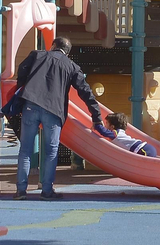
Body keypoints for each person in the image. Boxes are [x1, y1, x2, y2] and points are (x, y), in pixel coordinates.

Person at [10, 37, 103, 199]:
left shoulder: (37, 55)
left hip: (31, 104)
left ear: (53, 45)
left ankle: (21, 190)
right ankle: (46, 190)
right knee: (51, 152)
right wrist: (96, 116)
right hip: (54, 109)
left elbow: (22, 68)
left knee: (25, 149)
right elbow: (85, 91)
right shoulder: (72, 66)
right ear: (67, 52)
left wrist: (22, 86)